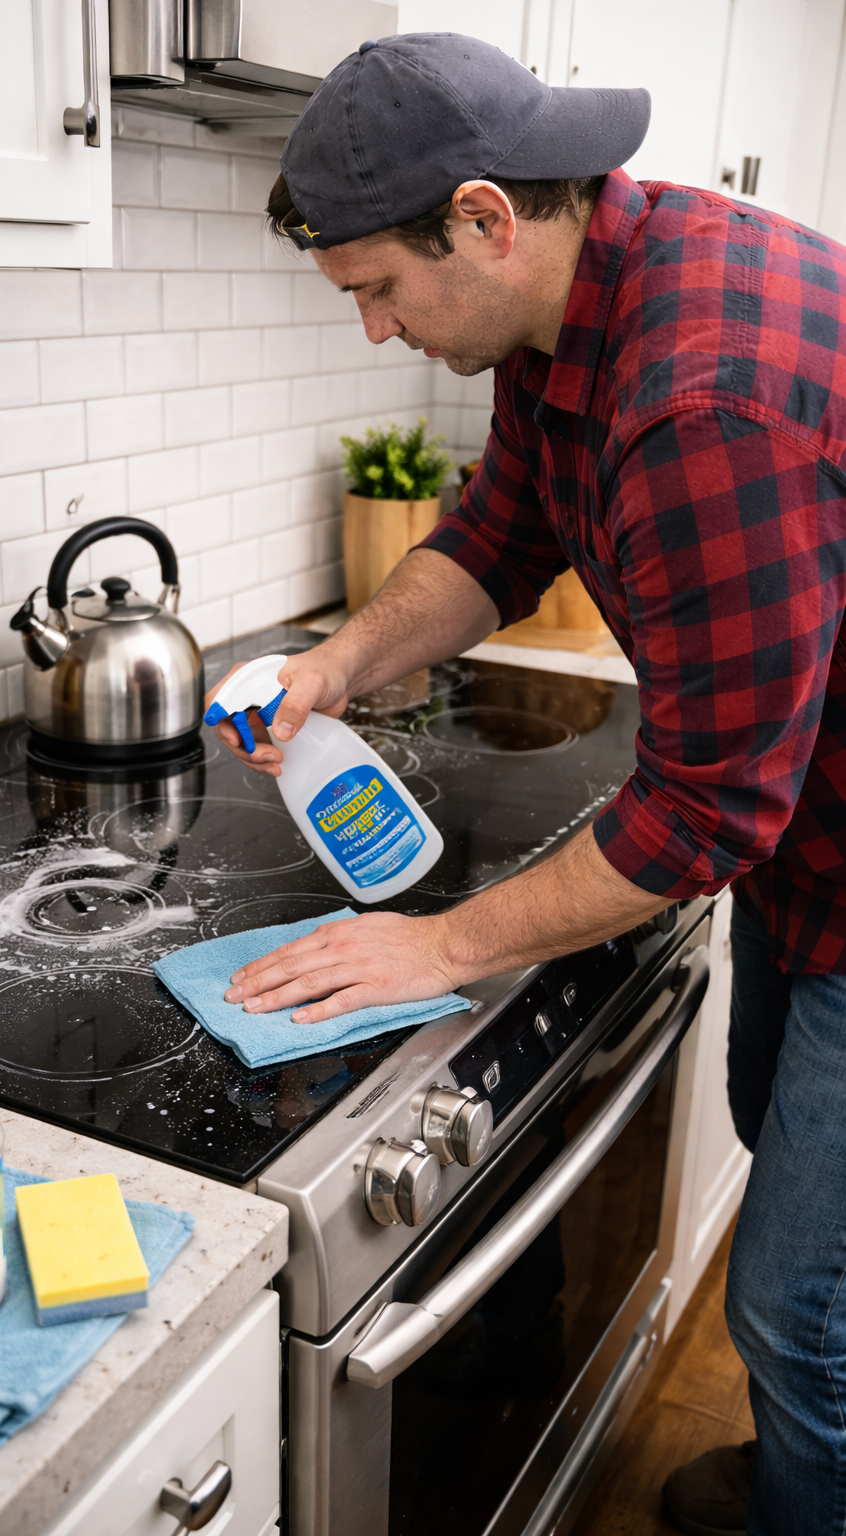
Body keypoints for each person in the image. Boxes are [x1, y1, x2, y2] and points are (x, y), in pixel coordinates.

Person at [205, 34, 846, 1536]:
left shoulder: (703, 397)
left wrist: (437, 945)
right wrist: (336, 667)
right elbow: (499, 538)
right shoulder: (571, 314)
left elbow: (700, 814)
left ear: (486, 218)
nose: (372, 330)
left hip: (816, 846)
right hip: (807, 844)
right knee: (787, 1163)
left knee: (803, 1312)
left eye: (379, 288)